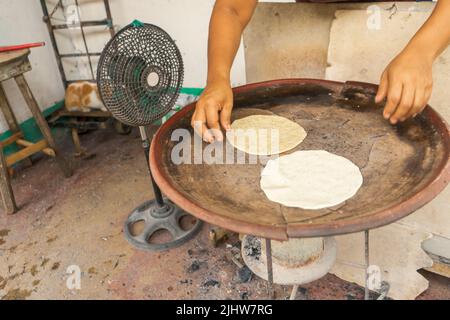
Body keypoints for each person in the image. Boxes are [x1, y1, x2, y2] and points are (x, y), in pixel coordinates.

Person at [191, 0, 450, 143]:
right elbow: (232, 8)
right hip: (310, 28)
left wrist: (422, 51)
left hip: (412, 31)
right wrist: (217, 78)